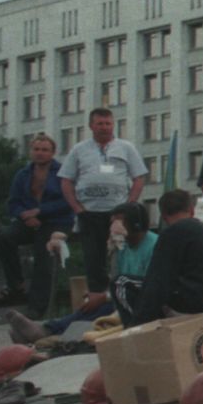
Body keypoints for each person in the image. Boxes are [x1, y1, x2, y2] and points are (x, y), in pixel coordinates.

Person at [1, 201, 160, 343]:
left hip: (143, 301)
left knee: (102, 309)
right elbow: (116, 279)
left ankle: (46, 330)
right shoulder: (123, 246)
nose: (113, 226)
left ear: (136, 223)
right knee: (89, 308)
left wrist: (104, 297)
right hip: (124, 296)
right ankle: (42, 332)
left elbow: (145, 286)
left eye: (119, 221)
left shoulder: (154, 245)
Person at [59, 108, 147, 294]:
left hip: (117, 215)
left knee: (121, 254)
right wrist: (77, 209)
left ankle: (123, 293)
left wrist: (128, 206)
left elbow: (139, 178)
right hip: (89, 213)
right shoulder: (79, 149)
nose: (104, 128)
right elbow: (66, 181)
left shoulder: (126, 147)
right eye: (100, 123)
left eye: (108, 123)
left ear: (113, 125)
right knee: (93, 259)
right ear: (91, 126)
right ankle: (97, 297)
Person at [118, 190, 203, 325]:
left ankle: (133, 332)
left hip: (192, 306)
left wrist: (140, 323)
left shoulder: (172, 233)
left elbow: (157, 281)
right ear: (191, 210)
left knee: (121, 282)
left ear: (164, 216)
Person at [0, 133, 75, 317]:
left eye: (45, 150)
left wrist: (40, 211)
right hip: (28, 220)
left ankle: (37, 309)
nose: (40, 153)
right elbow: (13, 202)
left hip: (56, 222)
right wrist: (24, 215)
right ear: (31, 151)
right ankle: (16, 283)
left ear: (52, 152)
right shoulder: (23, 174)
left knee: (43, 259)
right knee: (4, 238)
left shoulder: (63, 173)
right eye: (37, 149)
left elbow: (68, 201)